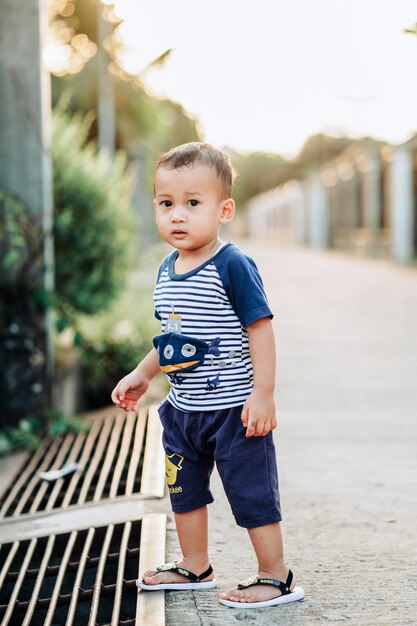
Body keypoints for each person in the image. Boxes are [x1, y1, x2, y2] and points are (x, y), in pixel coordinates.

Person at [111, 142, 304, 609]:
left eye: (192, 204)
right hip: (184, 412)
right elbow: (173, 339)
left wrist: (263, 394)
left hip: (234, 412)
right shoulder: (167, 269)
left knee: (251, 492)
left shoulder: (232, 264)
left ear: (224, 210)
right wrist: (142, 372)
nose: (177, 215)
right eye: (166, 203)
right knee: (185, 492)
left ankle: (275, 576)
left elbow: (260, 328)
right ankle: (194, 566)